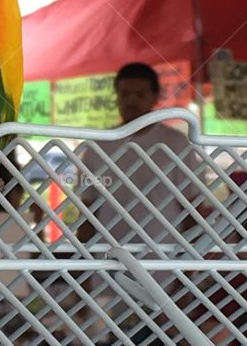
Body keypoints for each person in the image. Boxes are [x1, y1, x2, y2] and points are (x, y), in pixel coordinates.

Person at [74, 62, 206, 248]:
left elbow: (193, 207)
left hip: (163, 260)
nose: (131, 101)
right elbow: (88, 210)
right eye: (125, 94)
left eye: (140, 94)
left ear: (154, 97)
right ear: (117, 97)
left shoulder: (176, 144)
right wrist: (83, 265)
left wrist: (190, 264)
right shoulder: (98, 146)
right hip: (107, 259)